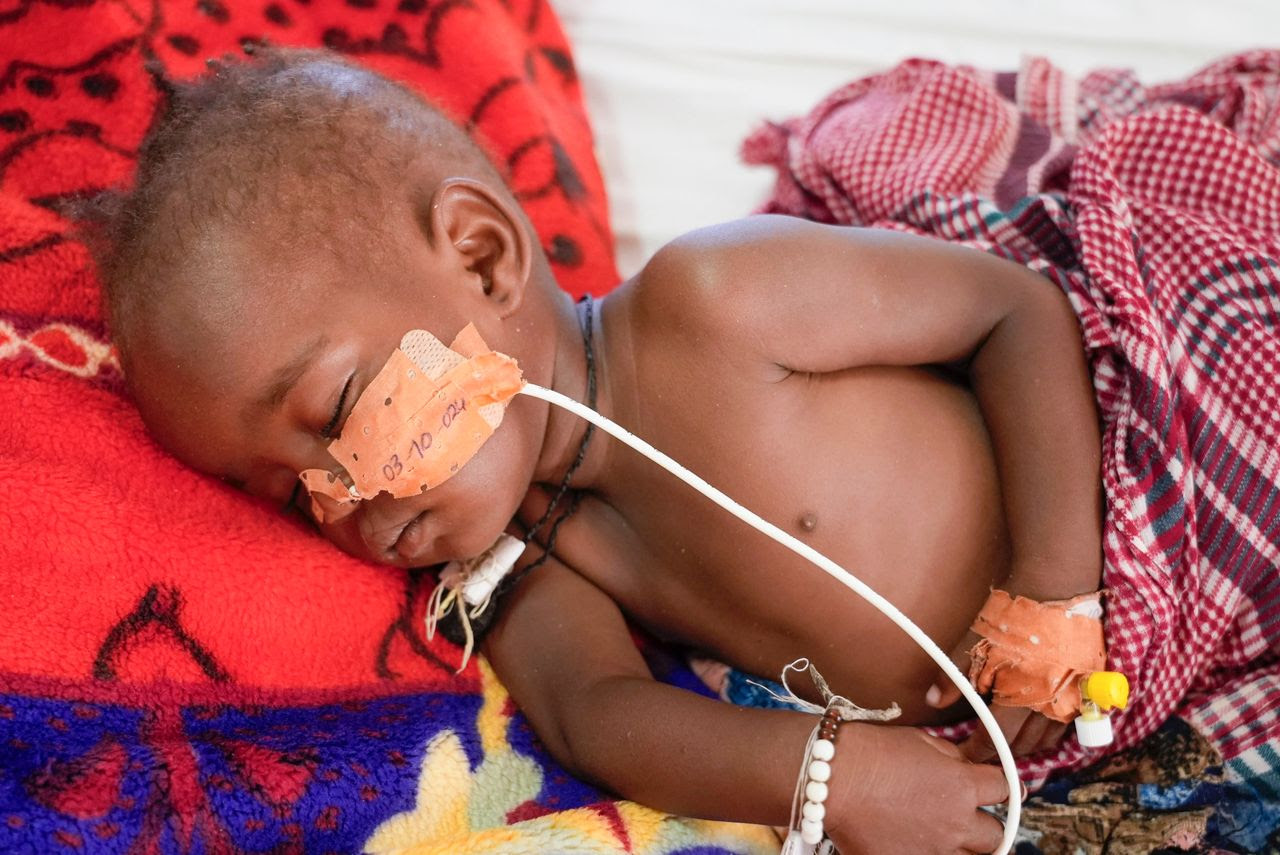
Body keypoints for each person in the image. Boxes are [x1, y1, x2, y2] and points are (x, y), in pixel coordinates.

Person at [88, 48, 1104, 854]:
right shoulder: (516, 557)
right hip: (998, 732)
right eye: (284, 493)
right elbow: (596, 717)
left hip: (1105, 518)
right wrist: (842, 777)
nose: (342, 495)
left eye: (339, 407)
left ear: (481, 259)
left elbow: (1010, 314)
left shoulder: (715, 304)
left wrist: (1055, 589)